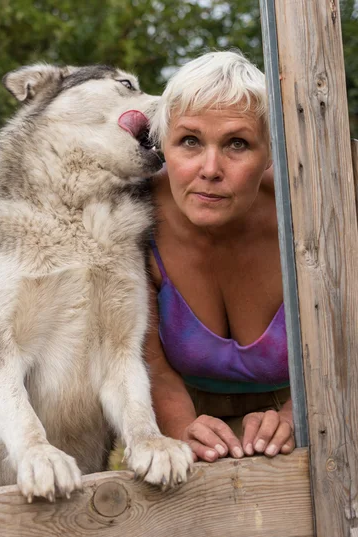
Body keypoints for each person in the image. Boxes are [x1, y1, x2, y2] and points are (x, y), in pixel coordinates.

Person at [146, 50, 294, 463]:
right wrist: (181, 429)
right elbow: (151, 369)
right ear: (164, 145)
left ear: (270, 155)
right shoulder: (134, 221)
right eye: (190, 141)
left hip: (317, 407)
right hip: (181, 415)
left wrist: (299, 414)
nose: (210, 168)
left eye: (237, 144)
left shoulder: (310, 219)